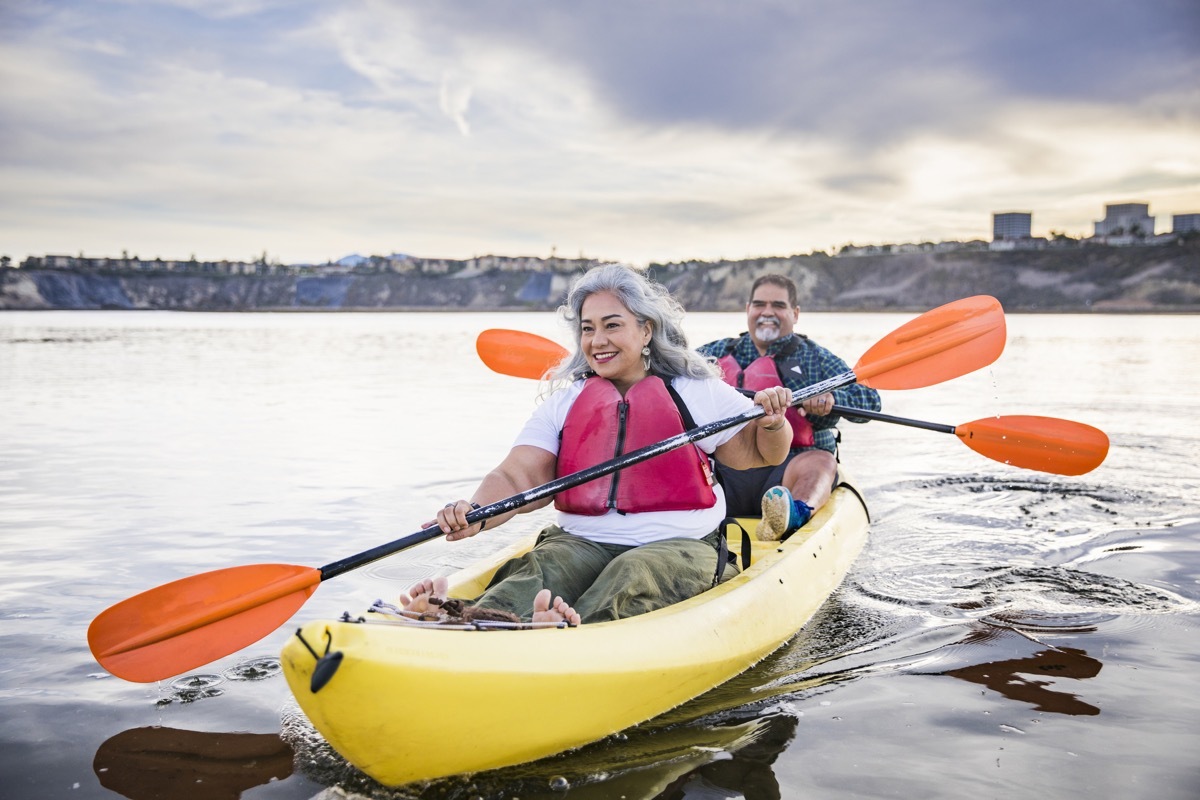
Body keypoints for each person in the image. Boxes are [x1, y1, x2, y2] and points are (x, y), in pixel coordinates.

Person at [401, 264, 795, 626]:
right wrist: (478, 512)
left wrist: (774, 422)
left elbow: (760, 453)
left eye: (612, 325)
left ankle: (565, 630)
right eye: (588, 329)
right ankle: (456, 616)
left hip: (679, 545)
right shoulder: (567, 400)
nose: (597, 341)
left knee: (633, 573)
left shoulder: (695, 391)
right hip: (581, 541)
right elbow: (518, 473)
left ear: (646, 331)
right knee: (545, 568)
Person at [696, 274, 881, 541]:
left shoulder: (817, 358)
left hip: (789, 469)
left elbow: (870, 401)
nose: (767, 313)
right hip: (726, 470)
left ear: (795, 314)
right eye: (759, 304)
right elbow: (670, 375)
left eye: (778, 306)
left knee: (822, 460)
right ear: (748, 310)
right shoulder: (715, 354)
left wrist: (832, 400)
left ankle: (795, 512)